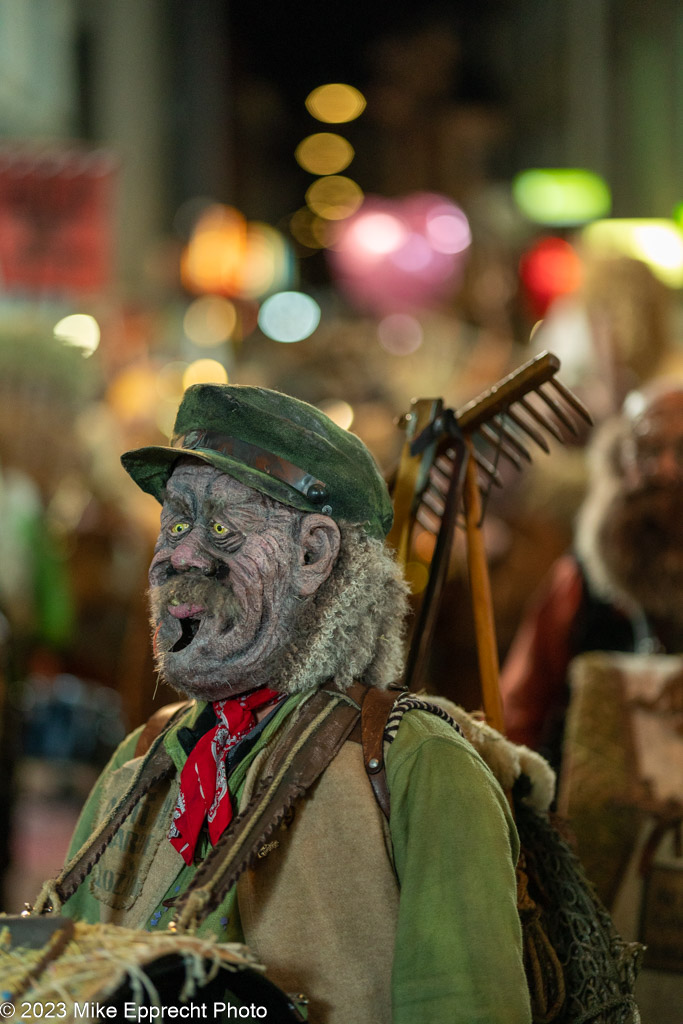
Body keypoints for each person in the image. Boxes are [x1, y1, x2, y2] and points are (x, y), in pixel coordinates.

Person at [45, 383, 532, 1024]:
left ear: (313, 555)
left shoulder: (422, 768)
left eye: (222, 529)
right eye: (177, 521)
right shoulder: (142, 762)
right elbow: (48, 1000)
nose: (179, 555)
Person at [500, 380, 683, 770]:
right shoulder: (580, 579)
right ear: (623, 460)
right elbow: (518, 712)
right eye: (647, 450)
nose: (665, 469)